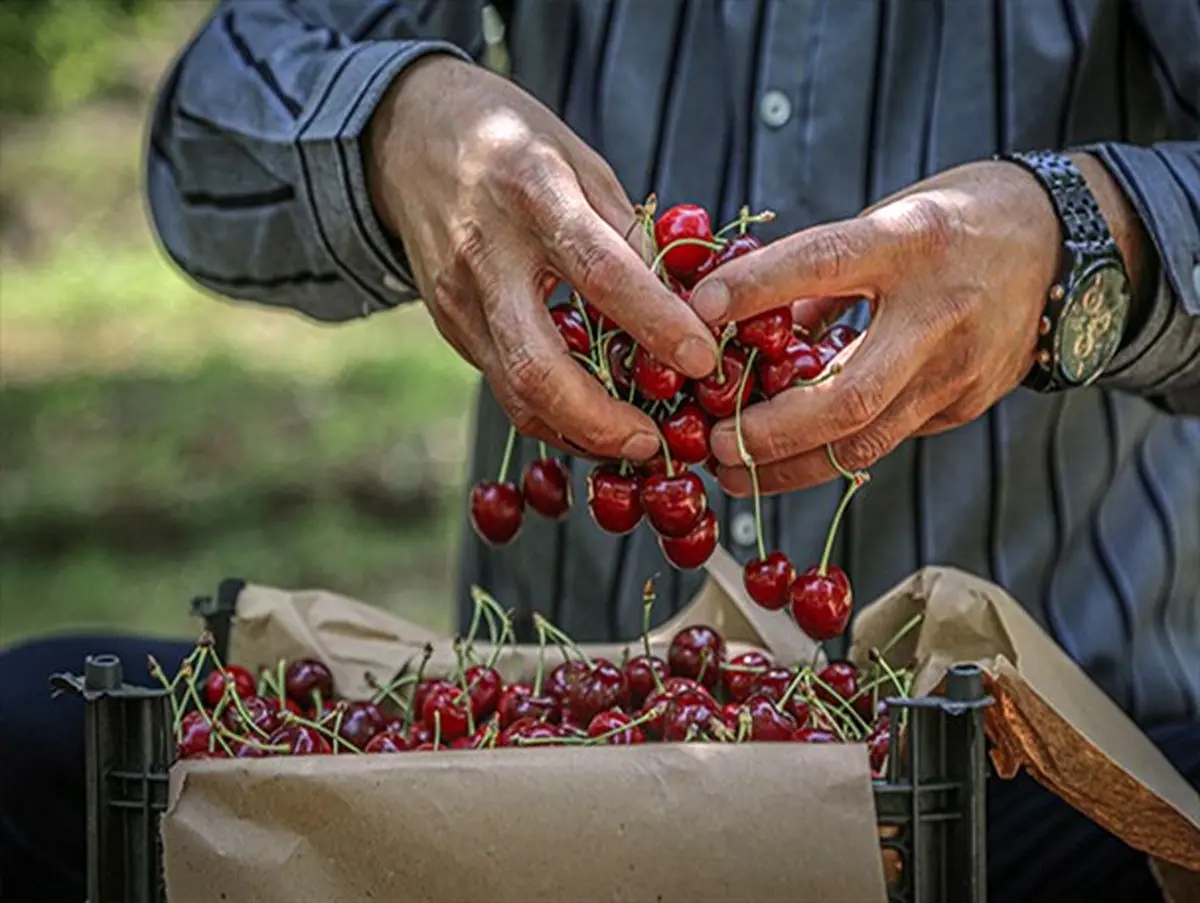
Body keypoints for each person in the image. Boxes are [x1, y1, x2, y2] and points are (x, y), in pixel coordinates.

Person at [1, 1, 1197, 901]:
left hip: (1031, 761)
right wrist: (394, 124)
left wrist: (1090, 241)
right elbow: (205, 136)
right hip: (547, 752)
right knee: (30, 724)